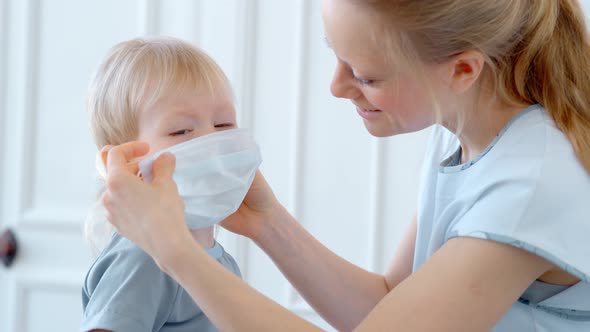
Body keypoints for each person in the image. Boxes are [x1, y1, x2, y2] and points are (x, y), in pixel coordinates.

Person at [99, 0, 590, 330]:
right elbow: (389, 307)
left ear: (462, 70)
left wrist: (174, 251)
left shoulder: (532, 182)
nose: (336, 86)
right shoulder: (464, 136)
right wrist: (267, 223)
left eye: (364, 74)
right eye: (337, 58)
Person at [81, 37, 245, 332]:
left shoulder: (219, 258)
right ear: (125, 161)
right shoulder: (143, 258)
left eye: (223, 126)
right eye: (181, 130)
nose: (211, 143)